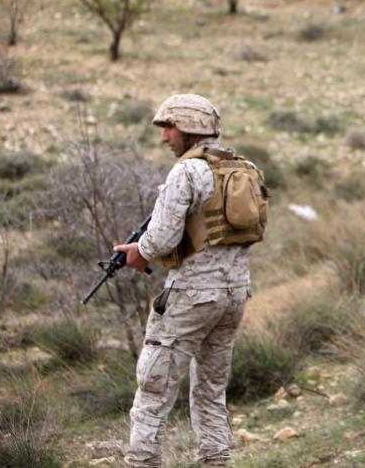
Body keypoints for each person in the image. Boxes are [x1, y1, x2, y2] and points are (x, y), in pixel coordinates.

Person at [115, 94, 267, 467]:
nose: (165, 137)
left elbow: (164, 237)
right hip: (233, 295)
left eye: (169, 128)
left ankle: (142, 462)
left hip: (191, 296)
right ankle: (216, 460)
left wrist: (140, 251)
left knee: (153, 390)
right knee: (211, 393)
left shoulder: (187, 172)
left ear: (189, 128)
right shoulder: (245, 168)